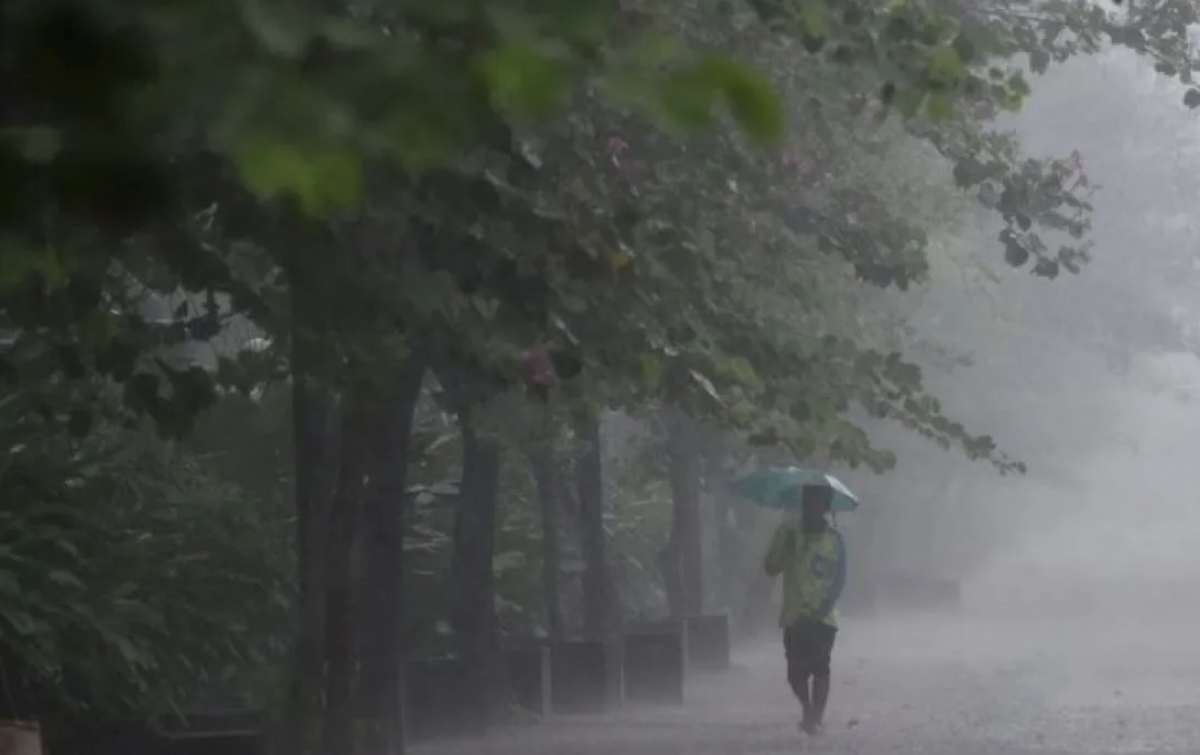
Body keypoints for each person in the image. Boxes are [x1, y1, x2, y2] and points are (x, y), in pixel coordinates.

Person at [763, 484, 847, 736]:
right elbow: (770, 568)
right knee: (795, 671)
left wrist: (824, 606)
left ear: (826, 507)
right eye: (808, 502)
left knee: (821, 667)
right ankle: (807, 707)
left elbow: (840, 577)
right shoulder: (788, 532)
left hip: (823, 616)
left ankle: (816, 718)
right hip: (795, 614)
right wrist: (785, 550)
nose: (812, 508)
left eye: (819, 503)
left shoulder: (834, 539)